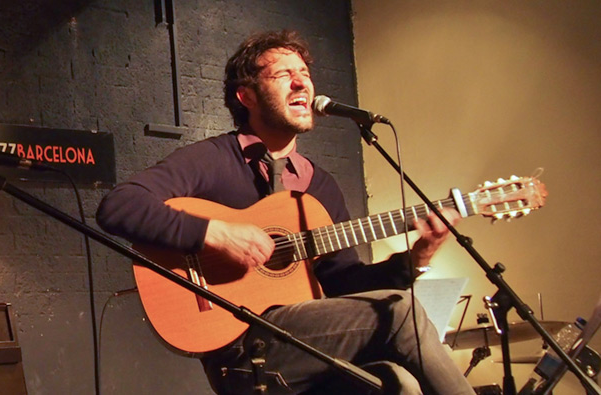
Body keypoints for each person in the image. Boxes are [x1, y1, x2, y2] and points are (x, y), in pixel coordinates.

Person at [96, 30, 474, 394]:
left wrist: (415, 258)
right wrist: (215, 233)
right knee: (401, 312)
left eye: (305, 74)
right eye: (283, 75)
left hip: (307, 346)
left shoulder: (319, 185)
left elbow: (346, 285)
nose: (301, 84)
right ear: (246, 95)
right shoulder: (213, 160)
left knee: (397, 383)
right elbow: (119, 206)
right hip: (240, 349)